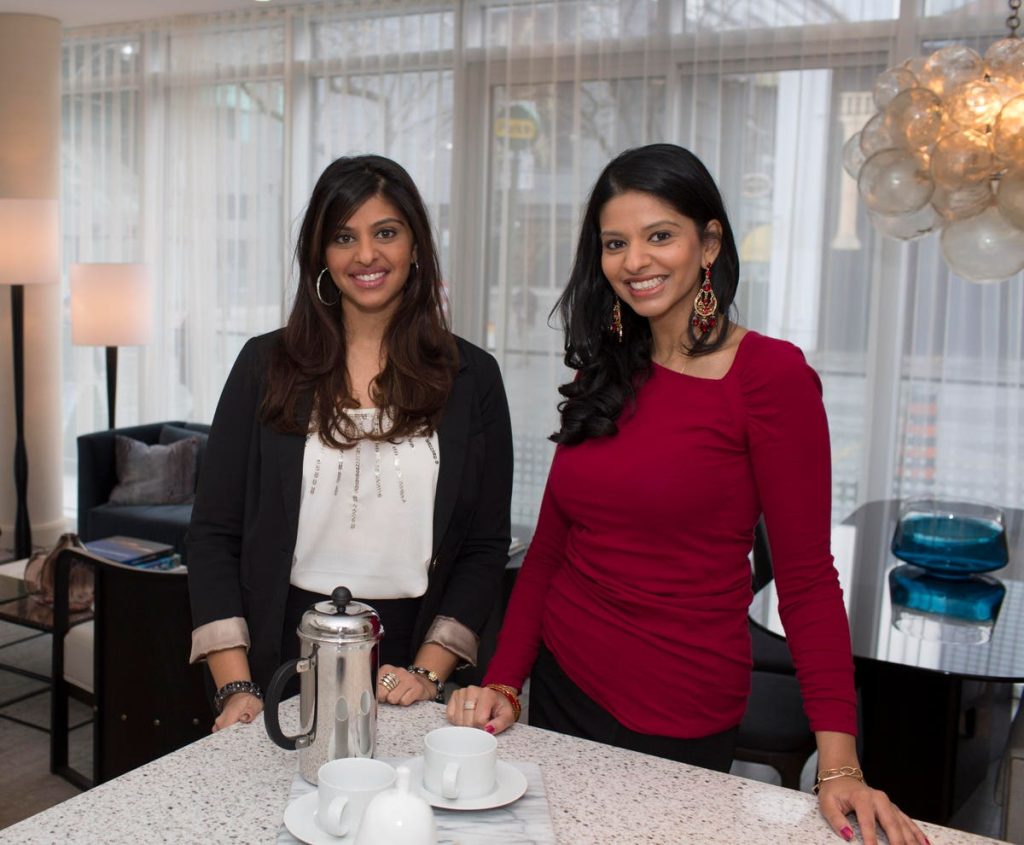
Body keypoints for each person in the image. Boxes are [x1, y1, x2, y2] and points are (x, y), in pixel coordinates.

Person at [447, 144, 927, 845]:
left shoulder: (770, 376)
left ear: (709, 244)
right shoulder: (602, 374)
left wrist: (839, 765)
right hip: (562, 686)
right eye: (615, 243)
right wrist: (504, 682)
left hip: (680, 709)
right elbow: (550, 550)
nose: (634, 260)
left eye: (659, 235)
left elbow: (806, 579)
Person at [187, 154, 513, 732]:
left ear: (415, 245)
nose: (366, 255)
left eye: (385, 232)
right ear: (320, 254)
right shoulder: (265, 364)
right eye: (344, 237)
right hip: (280, 653)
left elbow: (485, 546)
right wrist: (235, 686)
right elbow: (214, 533)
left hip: (412, 656)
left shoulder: (472, 376)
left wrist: (429, 671)